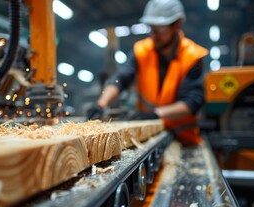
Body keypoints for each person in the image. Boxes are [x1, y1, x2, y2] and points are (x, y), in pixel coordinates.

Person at [87, 0, 208, 146]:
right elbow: (121, 79)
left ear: (177, 25)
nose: (153, 36)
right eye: (151, 29)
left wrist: (155, 114)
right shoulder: (142, 50)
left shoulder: (192, 56)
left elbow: (192, 103)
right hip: (146, 138)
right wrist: (101, 104)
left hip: (183, 139)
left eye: (159, 31)